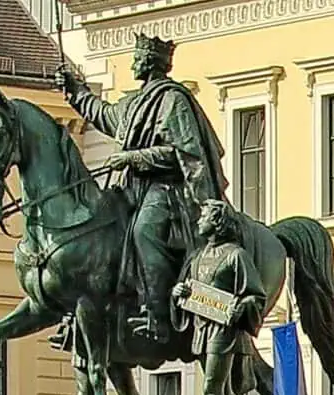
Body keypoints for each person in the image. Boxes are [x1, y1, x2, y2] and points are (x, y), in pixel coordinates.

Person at [59, 33, 228, 343]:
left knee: (144, 232)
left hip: (167, 189)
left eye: (137, 57)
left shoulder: (172, 100)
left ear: (150, 62)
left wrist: (132, 157)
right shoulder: (136, 102)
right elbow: (105, 116)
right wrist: (75, 91)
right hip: (132, 189)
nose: (133, 62)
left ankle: (158, 314)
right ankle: (83, 313)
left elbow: (182, 153)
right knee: (96, 229)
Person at [176, 198, 267, 395]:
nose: (198, 220)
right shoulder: (197, 256)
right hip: (202, 328)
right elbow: (185, 287)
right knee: (225, 393)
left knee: (212, 388)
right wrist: (177, 293)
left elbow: (256, 296)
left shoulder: (236, 256)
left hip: (224, 330)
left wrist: (240, 307)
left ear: (217, 222)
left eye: (203, 216)